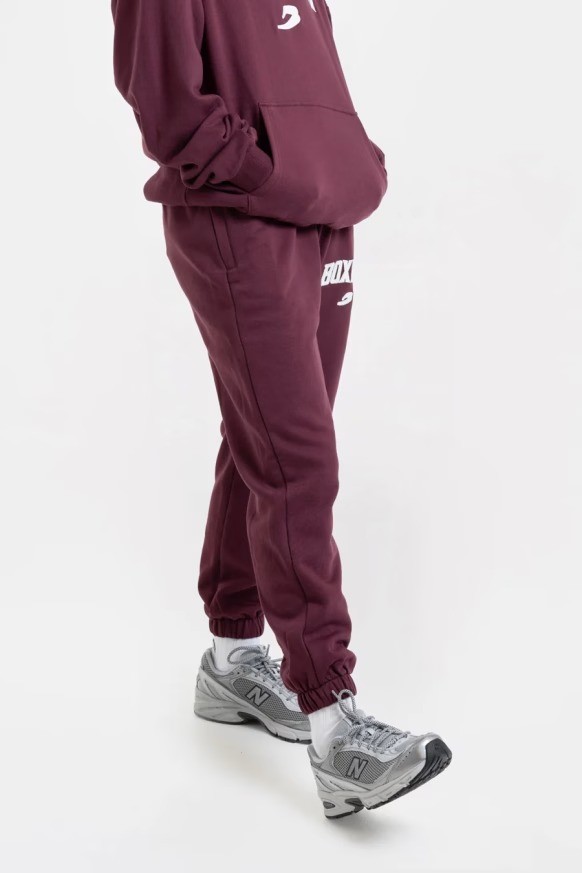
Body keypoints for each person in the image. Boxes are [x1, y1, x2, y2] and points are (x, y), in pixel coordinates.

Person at [111, 0, 451, 819]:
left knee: (262, 436)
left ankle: (232, 657)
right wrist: (274, 176)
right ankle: (336, 727)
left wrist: (351, 165)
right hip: (239, 216)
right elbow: (169, 109)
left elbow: (309, 76)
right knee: (299, 459)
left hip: (325, 217)